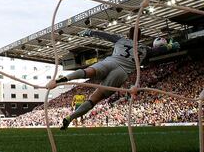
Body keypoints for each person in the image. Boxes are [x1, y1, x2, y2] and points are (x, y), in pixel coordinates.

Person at [46, 27, 180, 130]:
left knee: (89, 71)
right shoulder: (145, 49)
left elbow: (105, 35)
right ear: (140, 36)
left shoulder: (121, 40)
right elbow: (159, 51)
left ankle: (61, 80)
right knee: (94, 99)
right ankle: (70, 118)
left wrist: (90, 32)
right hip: (121, 72)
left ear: (128, 35)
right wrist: (170, 46)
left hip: (111, 62)